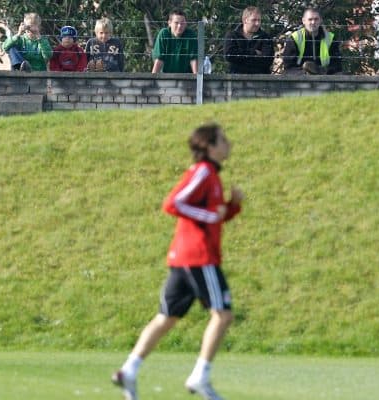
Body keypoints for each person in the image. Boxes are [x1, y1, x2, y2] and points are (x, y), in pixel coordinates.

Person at [112, 124, 244, 400]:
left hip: (184, 257)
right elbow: (173, 203)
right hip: (199, 257)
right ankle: (200, 377)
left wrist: (231, 207)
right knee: (223, 315)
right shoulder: (204, 172)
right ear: (209, 146)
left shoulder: (211, 175)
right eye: (223, 140)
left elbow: (213, 215)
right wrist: (212, 215)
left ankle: (129, 371)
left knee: (167, 317)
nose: (228, 144)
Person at [282, 8, 341, 75]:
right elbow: (288, 66)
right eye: (310, 19)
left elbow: (337, 65)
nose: (313, 22)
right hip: (300, 75)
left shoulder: (330, 38)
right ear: (303, 21)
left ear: (320, 20)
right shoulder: (295, 38)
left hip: (325, 75)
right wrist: (306, 72)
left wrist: (321, 70)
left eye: (316, 19)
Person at [223, 6, 274, 74]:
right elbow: (229, 56)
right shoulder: (232, 35)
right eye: (254, 20)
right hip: (237, 79)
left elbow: (268, 60)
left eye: (259, 20)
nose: (257, 23)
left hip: (260, 79)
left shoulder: (265, 37)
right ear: (245, 20)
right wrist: (254, 53)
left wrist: (240, 59)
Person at [152, 9, 198, 74]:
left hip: (187, 77)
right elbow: (159, 59)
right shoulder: (163, 34)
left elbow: (193, 60)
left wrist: (197, 80)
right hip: (166, 76)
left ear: (186, 24)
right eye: (176, 23)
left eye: (182, 23)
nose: (179, 26)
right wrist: (153, 80)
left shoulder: (191, 35)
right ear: (169, 23)